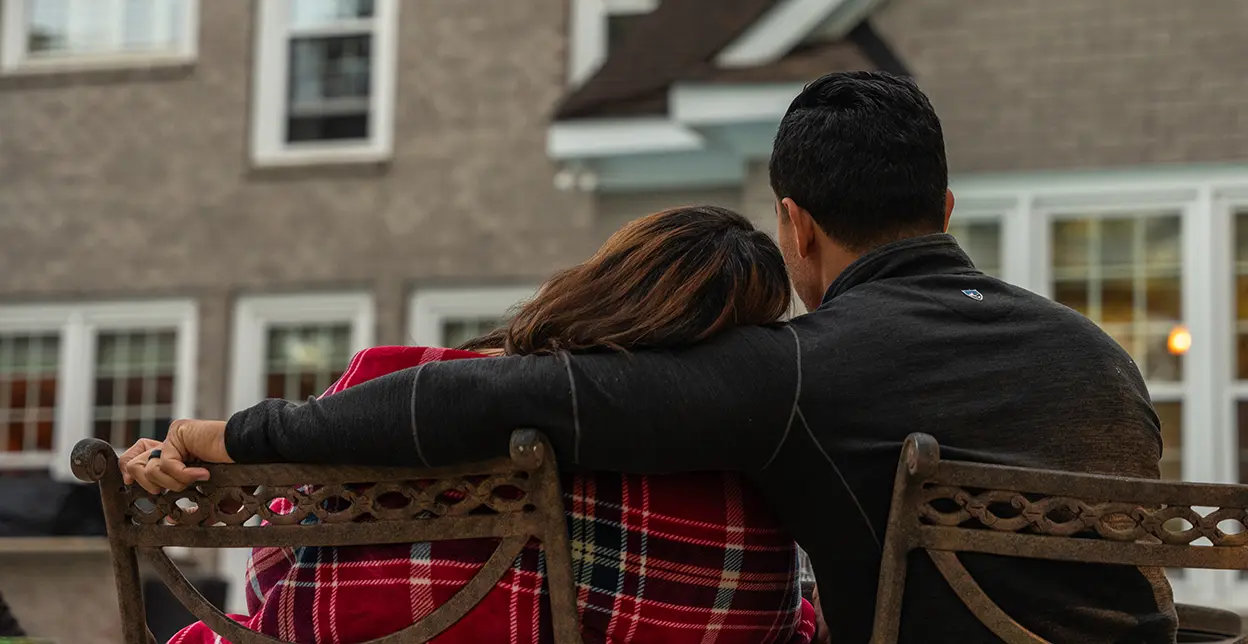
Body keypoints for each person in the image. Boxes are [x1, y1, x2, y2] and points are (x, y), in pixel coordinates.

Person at [126, 72, 1176, 643]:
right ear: (945, 209)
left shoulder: (800, 369)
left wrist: (233, 434)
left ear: (796, 226)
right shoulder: (1102, 359)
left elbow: (482, 397)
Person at [162, 207, 816, 644]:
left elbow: (271, 582)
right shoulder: (752, 495)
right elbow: (787, 619)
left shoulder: (392, 390)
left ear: (607, 288)